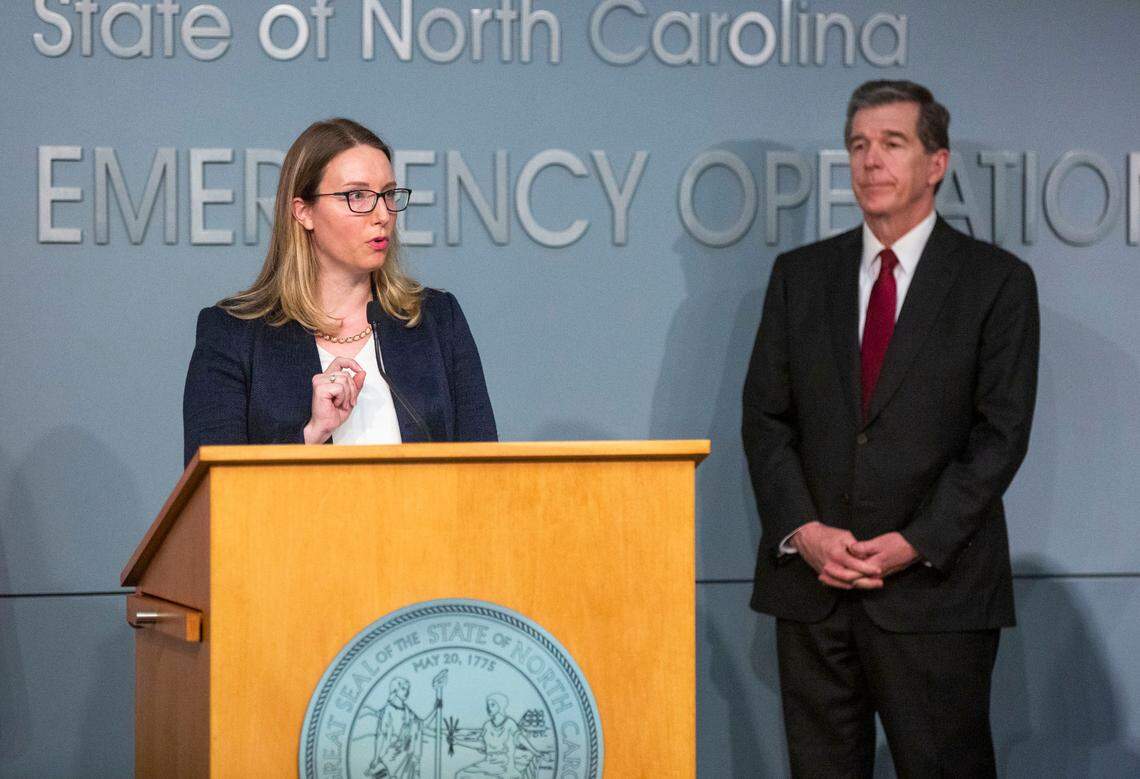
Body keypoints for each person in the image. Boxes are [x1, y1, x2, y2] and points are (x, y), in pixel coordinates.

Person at [742, 80, 1039, 777]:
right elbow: (765, 419)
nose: (871, 160)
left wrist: (916, 541)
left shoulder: (995, 282)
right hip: (815, 596)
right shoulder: (798, 277)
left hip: (937, 595)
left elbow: (1000, 435)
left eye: (892, 143)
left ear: (936, 163)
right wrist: (803, 532)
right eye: (859, 145)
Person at [183, 118, 496, 465]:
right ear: (303, 212)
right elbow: (213, 493)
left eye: (388, 194)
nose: (381, 215)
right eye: (357, 195)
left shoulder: (435, 320)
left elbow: (485, 474)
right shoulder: (233, 335)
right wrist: (310, 436)